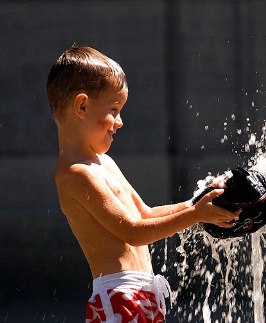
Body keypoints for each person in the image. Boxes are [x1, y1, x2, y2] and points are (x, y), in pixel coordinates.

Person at [47, 45, 241, 323]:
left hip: (139, 294)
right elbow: (133, 232)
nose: (121, 122)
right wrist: (196, 215)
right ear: (82, 106)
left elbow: (145, 214)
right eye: (114, 109)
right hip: (119, 298)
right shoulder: (76, 174)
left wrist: (197, 203)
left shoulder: (103, 163)